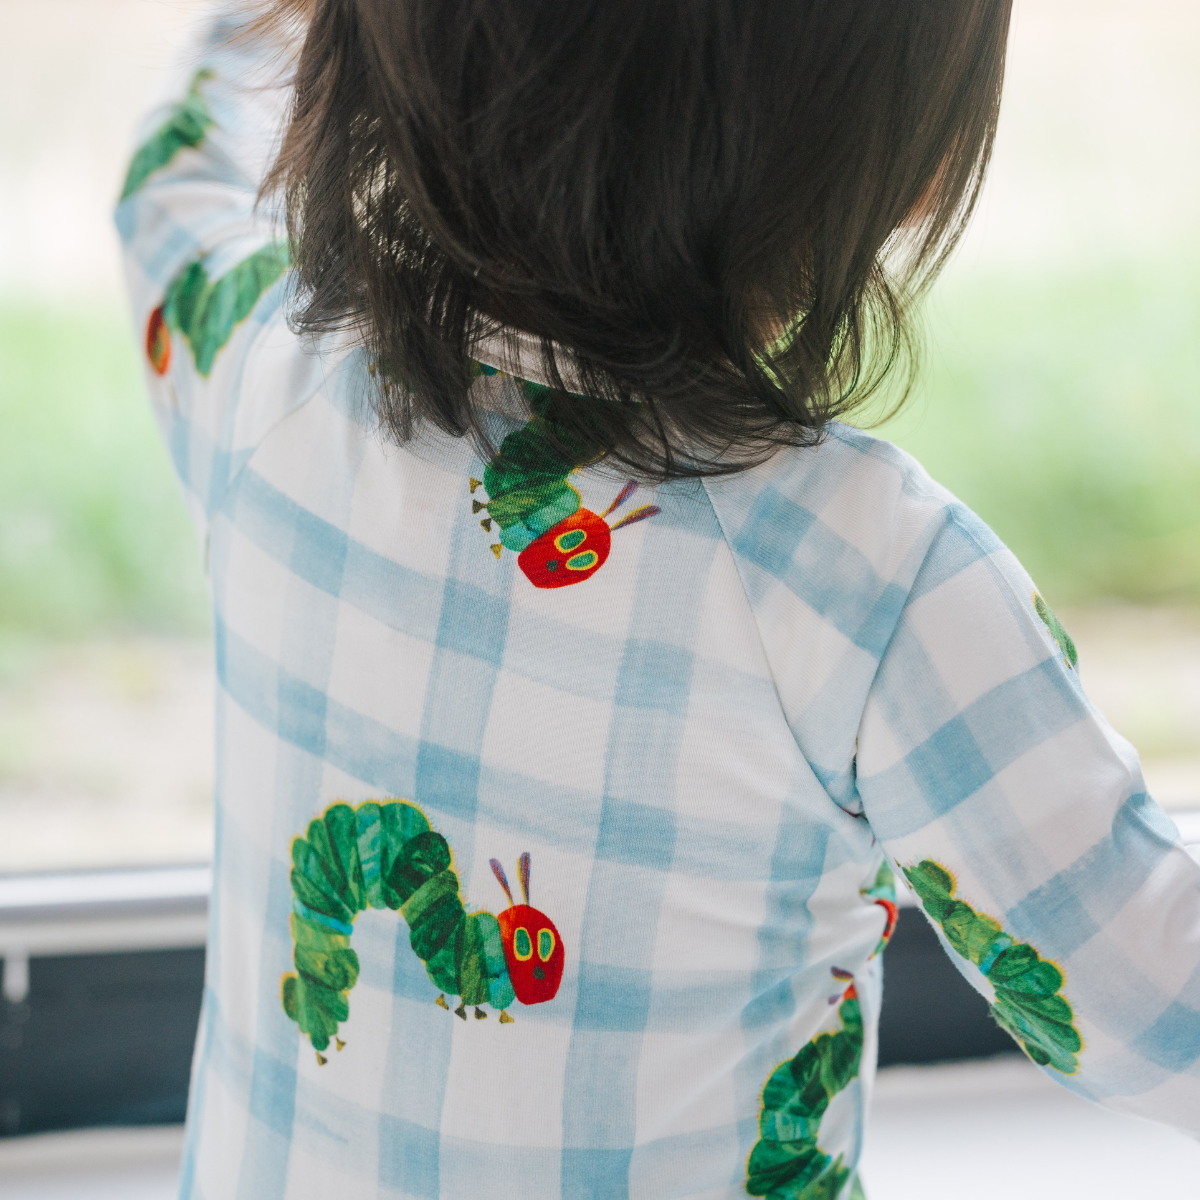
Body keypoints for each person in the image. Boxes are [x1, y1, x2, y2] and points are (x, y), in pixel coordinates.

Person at [116, 2, 1200, 1197]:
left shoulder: (261, 388)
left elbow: (171, 188)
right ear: (919, 159)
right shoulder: (872, 584)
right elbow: (1159, 1002)